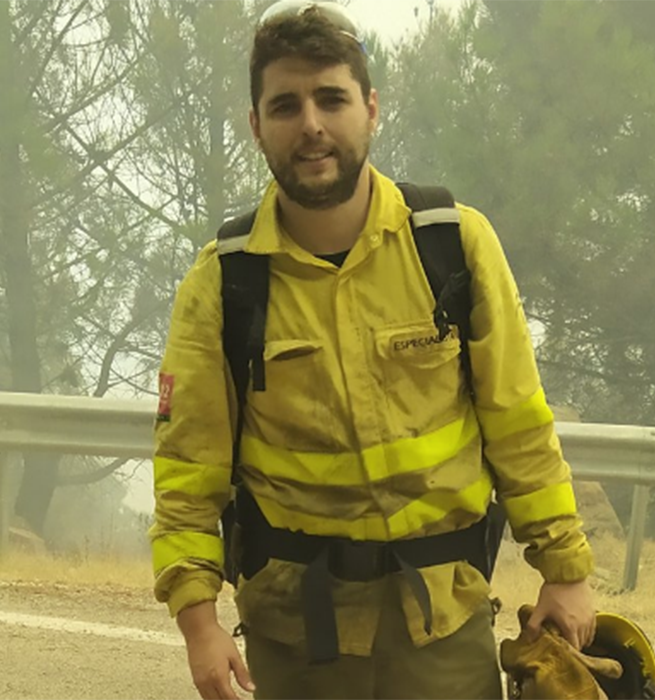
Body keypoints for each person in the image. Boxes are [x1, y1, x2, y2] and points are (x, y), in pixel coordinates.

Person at [150, 2, 596, 699]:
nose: (311, 125)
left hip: (443, 626)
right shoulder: (223, 282)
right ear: (256, 126)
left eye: (331, 98)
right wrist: (199, 625)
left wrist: (565, 570)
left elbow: (518, 424)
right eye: (285, 105)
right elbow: (187, 476)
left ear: (372, 108)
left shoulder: (452, 245)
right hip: (298, 638)